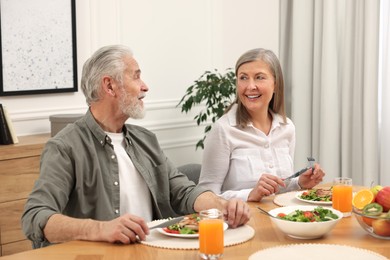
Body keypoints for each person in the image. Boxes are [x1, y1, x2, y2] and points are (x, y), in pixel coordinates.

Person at [21, 45, 250, 248]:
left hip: (151, 252)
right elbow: (35, 216)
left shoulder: (145, 140)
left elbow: (183, 191)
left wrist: (223, 206)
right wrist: (102, 230)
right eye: (136, 77)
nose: (145, 86)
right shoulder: (65, 147)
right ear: (110, 86)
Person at [198, 48, 325, 202]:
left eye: (259, 77)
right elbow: (206, 197)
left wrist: (299, 183)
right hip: (241, 224)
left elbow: (279, 187)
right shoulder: (223, 130)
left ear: (276, 84)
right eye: (243, 78)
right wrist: (250, 194)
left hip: (280, 218)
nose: (250, 86)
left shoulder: (287, 128)